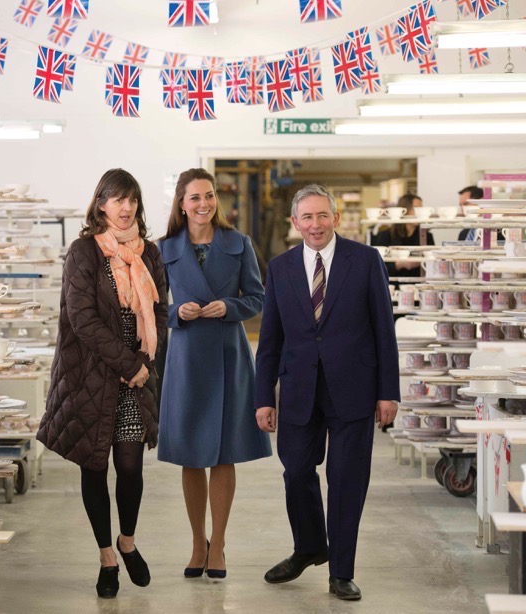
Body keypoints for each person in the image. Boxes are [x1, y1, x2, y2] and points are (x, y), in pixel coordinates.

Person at [254, 184, 400, 601]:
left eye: (322, 216)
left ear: (335, 218)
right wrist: (264, 396)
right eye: (307, 217)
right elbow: (270, 338)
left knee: (347, 479)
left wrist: (388, 392)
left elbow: (383, 331)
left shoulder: (365, 260)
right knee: (296, 471)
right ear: (294, 222)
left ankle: (341, 571)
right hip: (299, 388)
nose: (315, 225)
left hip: (355, 387)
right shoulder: (280, 267)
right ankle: (310, 546)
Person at [37, 169, 167, 599]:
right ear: (101, 206)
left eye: (132, 199)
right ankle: (107, 557)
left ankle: (128, 541)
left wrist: (145, 361)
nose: (125, 207)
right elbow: (82, 319)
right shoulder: (83, 252)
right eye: (117, 199)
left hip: (136, 378)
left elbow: (160, 312)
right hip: (90, 376)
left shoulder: (150, 254)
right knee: (94, 465)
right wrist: (128, 363)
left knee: (130, 465)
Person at [157, 168, 270, 580]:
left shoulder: (238, 243)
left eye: (208, 196)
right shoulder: (164, 248)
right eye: (194, 198)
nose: (203, 204)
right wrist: (175, 313)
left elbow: (257, 298)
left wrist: (230, 308)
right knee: (191, 455)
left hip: (228, 354)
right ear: (182, 204)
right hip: (186, 357)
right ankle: (196, 542)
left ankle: (218, 544)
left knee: (224, 455)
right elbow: (149, 309)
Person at [371, 193, 434, 279]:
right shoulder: (386, 235)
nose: (419, 212)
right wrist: (398, 265)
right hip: (392, 287)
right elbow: (377, 269)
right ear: (404, 209)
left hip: (419, 286)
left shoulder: (426, 236)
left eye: (421, 209)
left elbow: (432, 266)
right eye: (416, 208)